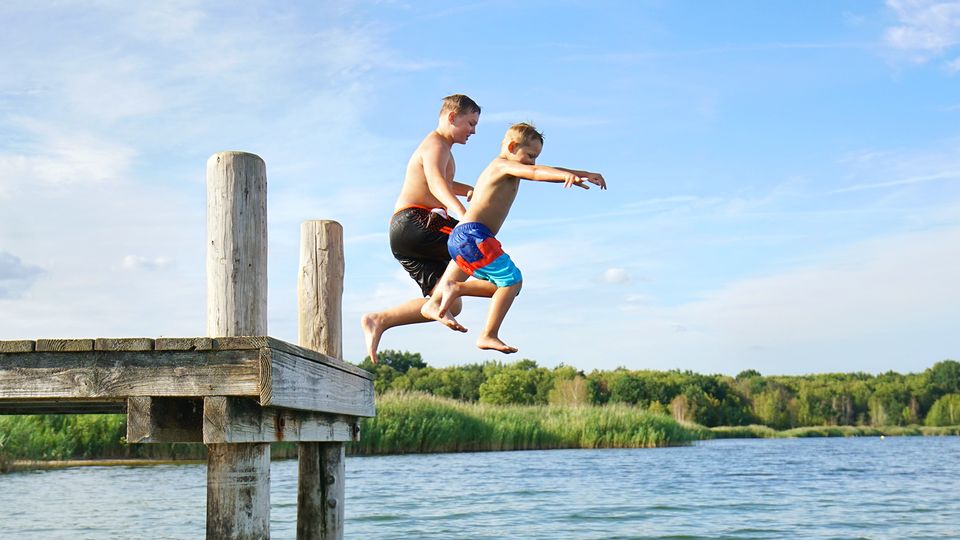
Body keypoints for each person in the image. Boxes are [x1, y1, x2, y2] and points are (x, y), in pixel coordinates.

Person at [421, 122, 606, 354]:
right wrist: (565, 177)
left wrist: (583, 174)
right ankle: (486, 332)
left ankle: (439, 299)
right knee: (513, 281)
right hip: (473, 236)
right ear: (511, 146)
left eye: (536, 157)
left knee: (504, 287)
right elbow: (537, 173)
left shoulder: (506, 168)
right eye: (530, 155)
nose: (533, 162)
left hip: (466, 237)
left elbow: (543, 168)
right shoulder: (501, 166)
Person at [361, 94, 498, 364]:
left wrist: (467, 189)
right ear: (451, 117)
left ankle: (380, 320)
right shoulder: (436, 143)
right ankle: (504, 289)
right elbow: (436, 185)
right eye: (470, 123)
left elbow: (441, 180)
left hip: (405, 235)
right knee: (480, 250)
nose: (474, 131)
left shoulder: (440, 149)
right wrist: (463, 216)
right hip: (417, 222)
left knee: (451, 301)